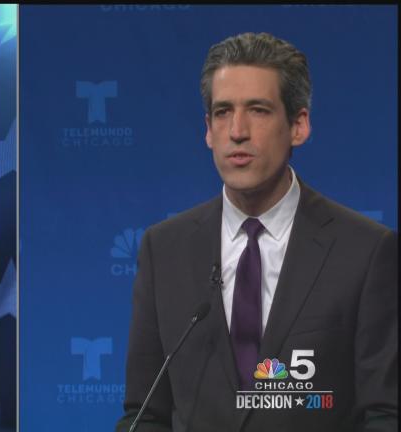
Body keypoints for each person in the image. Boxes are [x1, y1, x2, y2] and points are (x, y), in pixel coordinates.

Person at [117, 32, 397, 432]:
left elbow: (386, 414)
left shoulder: (366, 252)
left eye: (259, 110)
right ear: (208, 131)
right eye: (222, 112)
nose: (237, 131)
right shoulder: (164, 250)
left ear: (298, 125)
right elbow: (144, 415)